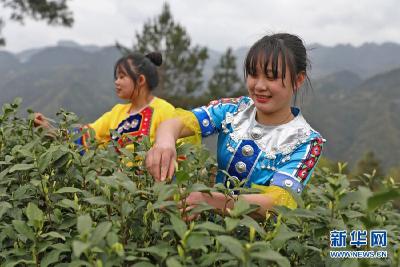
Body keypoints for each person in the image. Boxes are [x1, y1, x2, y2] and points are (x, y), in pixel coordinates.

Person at [145, 33, 325, 218]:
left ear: (298, 79)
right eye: (253, 75)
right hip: (209, 233)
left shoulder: (306, 142)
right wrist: (165, 143)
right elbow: (177, 122)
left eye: (271, 77)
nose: (259, 86)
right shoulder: (234, 110)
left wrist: (210, 200)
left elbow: (279, 202)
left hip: (260, 244)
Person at [34, 52, 196, 151]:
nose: (116, 82)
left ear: (140, 80)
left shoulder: (164, 110)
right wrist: (50, 130)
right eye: (116, 77)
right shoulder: (117, 113)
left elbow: (180, 148)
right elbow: (88, 135)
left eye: (122, 77)